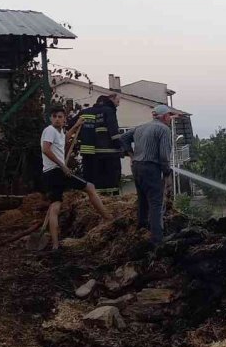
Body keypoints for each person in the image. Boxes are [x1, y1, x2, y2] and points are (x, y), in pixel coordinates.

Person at [40, 105, 111, 250]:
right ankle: (109, 219)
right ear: (50, 118)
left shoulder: (59, 132)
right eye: (54, 116)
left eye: (60, 117)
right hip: (56, 171)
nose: (57, 119)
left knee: (55, 206)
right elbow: (45, 149)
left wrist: (77, 125)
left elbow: (65, 139)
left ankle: (55, 246)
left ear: (64, 119)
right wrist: (62, 166)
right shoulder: (50, 130)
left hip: (48, 173)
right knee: (90, 187)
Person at [123, 105, 173, 245]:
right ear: (165, 117)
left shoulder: (141, 127)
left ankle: (141, 230)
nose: (170, 119)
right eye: (169, 116)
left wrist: (131, 155)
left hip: (137, 167)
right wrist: (167, 174)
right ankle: (157, 240)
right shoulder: (164, 129)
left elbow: (123, 138)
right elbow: (164, 156)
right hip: (151, 168)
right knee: (156, 203)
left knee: (143, 200)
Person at [76, 95, 122, 195]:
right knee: (110, 180)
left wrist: (81, 136)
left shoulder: (86, 112)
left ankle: (95, 199)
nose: (117, 104)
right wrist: (121, 147)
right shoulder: (109, 111)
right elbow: (114, 132)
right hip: (109, 153)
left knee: (93, 180)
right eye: (117, 101)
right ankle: (110, 199)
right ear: (109, 100)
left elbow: (72, 125)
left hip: (90, 152)